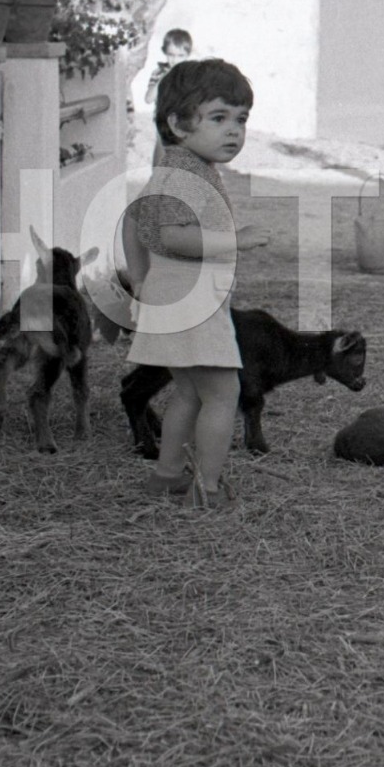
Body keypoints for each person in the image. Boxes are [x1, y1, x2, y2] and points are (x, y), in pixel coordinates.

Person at [125, 58, 271, 506]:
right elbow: (171, 235)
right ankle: (206, 487)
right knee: (223, 393)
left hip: (174, 299)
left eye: (241, 119)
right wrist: (234, 240)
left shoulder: (175, 168)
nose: (234, 131)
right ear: (178, 123)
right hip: (192, 304)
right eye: (219, 118)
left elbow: (132, 221)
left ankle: (168, 474)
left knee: (189, 391)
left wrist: (141, 283)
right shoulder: (185, 174)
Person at [144, 28, 194, 108]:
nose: (175, 60)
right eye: (171, 55)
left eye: (180, 56)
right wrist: (163, 79)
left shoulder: (193, 73)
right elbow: (148, 99)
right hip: (164, 117)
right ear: (164, 52)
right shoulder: (158, 73)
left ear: (188, 54)